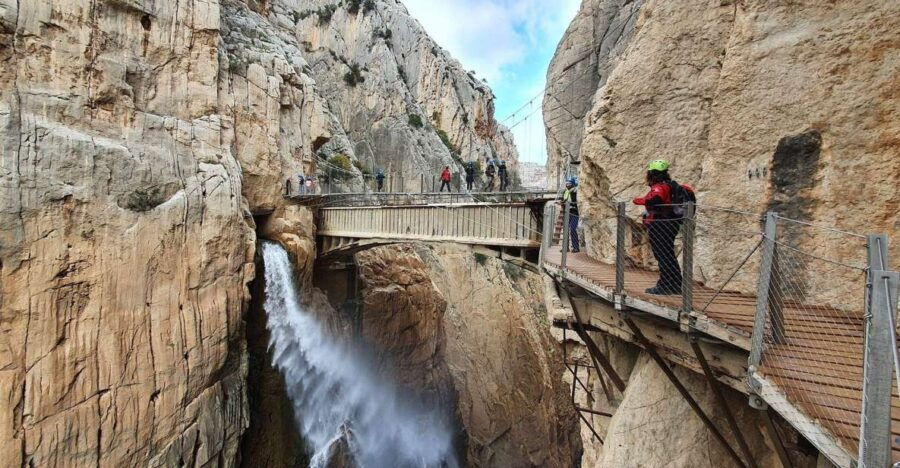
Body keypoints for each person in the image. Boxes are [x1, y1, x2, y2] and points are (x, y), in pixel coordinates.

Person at [632, 159, 695, 295]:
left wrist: (638, 200)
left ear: (651, 174)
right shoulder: (670, 185)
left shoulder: (659, 187)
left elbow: (655, 200)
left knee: (663, 255)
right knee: (668, 254)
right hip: (670, 224)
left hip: (660, 225)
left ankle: (666, 286)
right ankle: (675, 284)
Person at [562, 177, 580, 253]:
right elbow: (563, 200)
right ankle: (565, 247)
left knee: (573, 229)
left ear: (572, 184)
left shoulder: (576, 191)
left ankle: (576, 247)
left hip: (575, 212)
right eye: (566, 183)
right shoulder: (565, 192)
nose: (567, 184)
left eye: (569, 183)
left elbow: (578, 201)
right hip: (567, 212)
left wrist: (572, 204)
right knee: (565, 230)